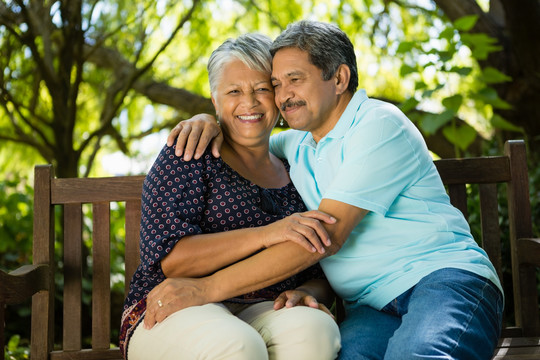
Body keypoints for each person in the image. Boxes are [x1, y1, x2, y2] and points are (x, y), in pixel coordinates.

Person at [164, 20, 504, 360]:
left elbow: (324, 238)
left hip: (442, 282)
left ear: (339, 79)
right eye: (277, 84)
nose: (283, 97)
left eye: (295, 80)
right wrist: (207, 121)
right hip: (371, 307)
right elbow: (246, 136)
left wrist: (205, 288)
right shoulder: (298, 145)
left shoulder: (378, 125)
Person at [119, 33, 341, 360]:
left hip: (264, 306)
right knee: (237, 345)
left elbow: (318, 268)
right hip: (174, 305)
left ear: (278, 95)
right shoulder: (189, 153)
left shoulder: (297, 167)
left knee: (316, 334)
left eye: (262, 89)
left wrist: (307, 291)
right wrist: (268, 234)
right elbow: (174, 258)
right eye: (234, 91)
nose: (249, 103)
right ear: (214, 100)